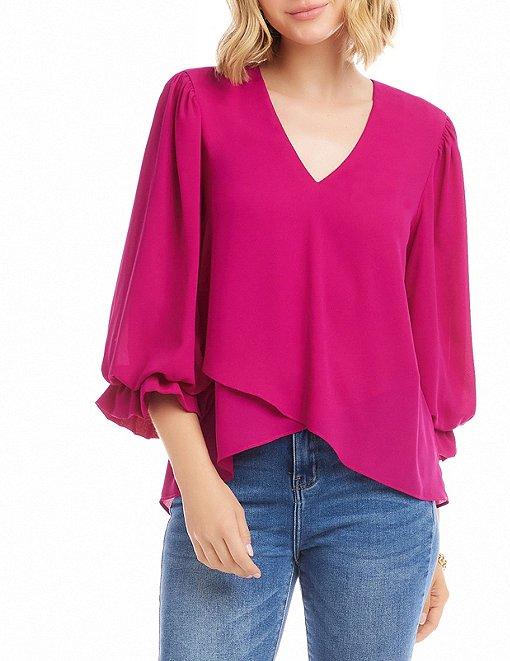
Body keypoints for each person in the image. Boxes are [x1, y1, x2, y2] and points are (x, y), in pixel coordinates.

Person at [95, 1, 476, 658]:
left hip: (384, 503)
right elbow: (155, 322)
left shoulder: (426, 135)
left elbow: (428, 355)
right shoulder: (196, 106)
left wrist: (432, 541)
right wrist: (198, 484)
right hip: (230, 475)